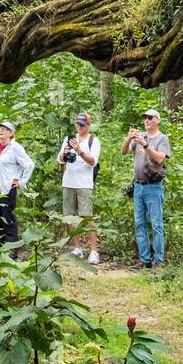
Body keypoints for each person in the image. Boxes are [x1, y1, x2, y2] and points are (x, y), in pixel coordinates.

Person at [122, 110, 171, 269]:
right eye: (145, 118)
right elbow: (124, 151)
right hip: (138, 187)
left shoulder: (162, 138)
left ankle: (159, 261)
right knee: (139, 223)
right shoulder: (139, 136)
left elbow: (160, 158)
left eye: (150, 118)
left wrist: (145, 145)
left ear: (158, 121)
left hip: (153, 187)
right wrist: (129, 137)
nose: (146, 120)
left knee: (156, 224)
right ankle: (145, 260)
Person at [57, 113, 101, 264]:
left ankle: (94, 250)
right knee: (69, 216)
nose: (79, 127)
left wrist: (80, 151)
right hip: (68, 182)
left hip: (84, 184)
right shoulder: (69, 138)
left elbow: (93, 162)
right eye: (77, 124)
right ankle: (77, 248)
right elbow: (60, 159)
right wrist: (65, 152)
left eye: (82, 124)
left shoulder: (93, 141)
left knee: (87, 218)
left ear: (88, 125)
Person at [0, 121, 35, 253]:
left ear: (11, 133)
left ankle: (12, 249)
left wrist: (21, 181)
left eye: (5, 129)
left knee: (8, 218)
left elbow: (29, 164)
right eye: (0, 128)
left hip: (7, 188)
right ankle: (1, 247)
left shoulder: (15, 147)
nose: (1, 131)